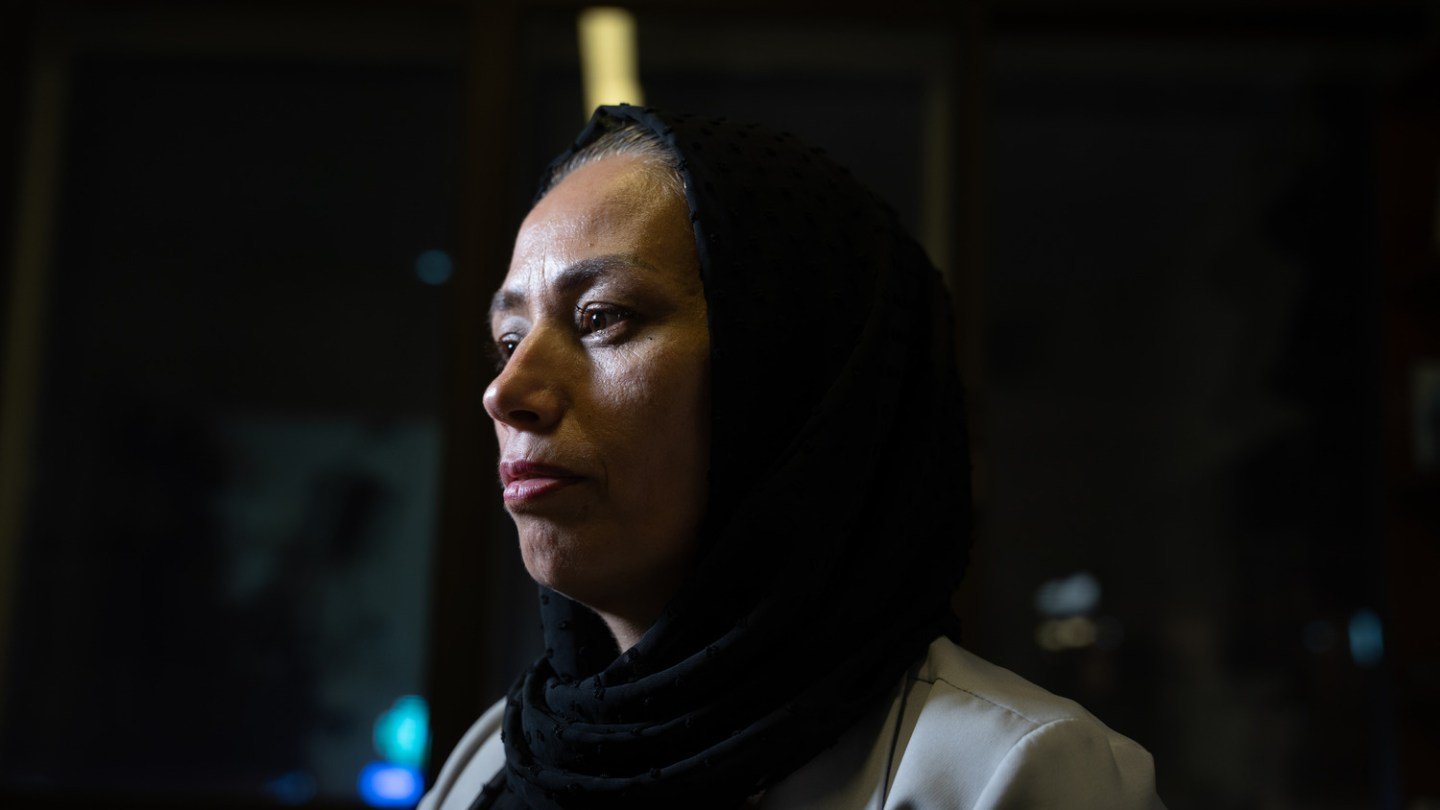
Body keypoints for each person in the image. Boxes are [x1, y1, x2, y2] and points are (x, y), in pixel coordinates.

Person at [419, 105, 1164, 809]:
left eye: (602, 316)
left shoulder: (1009, 773)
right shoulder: (496, 758)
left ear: (791, 375)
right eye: (509, 340)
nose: (505, 393)